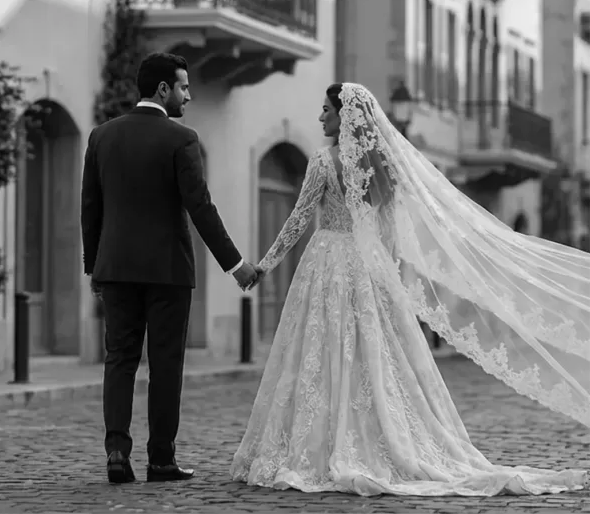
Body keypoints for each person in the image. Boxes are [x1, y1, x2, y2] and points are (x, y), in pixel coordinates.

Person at [230, 82, 590, 496]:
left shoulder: (323, 162)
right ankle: (377, 434)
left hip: (328, 261)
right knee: (372, 354)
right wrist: (385, 272)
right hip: (367, 264)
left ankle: (325, 443)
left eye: (326, 109)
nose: (320, 117)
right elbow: (389, 232)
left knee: (323, 349)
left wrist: (263, 265)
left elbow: (297, 222)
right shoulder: (383, 169)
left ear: (344, 116)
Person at [81, 52, 259, 484]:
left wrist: (94, 267)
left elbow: (90, 207)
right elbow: (199, 206)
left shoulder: (102, 136)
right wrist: (234, 264)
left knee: (119, 361)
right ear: (163, 89)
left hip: (117, 269)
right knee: (165, 366)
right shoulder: (181, 138)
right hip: (168, 272)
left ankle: (117, 455)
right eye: (183, 86)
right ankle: (161, 460)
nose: (188, 95)